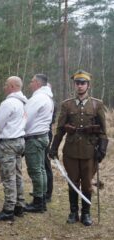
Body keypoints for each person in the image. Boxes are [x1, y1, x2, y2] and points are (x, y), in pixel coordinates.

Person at [49, 70, 108, 226]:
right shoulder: (66, 104)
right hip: (71, 151)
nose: (80, 86)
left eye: (83, 83)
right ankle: (73, 212)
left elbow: (103, 131)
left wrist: (102, 149)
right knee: (73, 182)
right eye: (77, 83)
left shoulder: (97, 104)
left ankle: (86, 214)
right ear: (74, 85)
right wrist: (54, 147)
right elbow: (60, 129)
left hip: (89, 151)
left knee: (87, 183)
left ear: (88, 85)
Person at [0, 76, 27, 221]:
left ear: (12, 86)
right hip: (20, 141)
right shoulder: (24, 102)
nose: (4, 87)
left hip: (9, 143)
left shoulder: (9, 103)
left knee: (8, 176)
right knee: (17, 174)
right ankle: (19, 205)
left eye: (6, 84)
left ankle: (8, 209)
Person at [24, 74, 54, 213]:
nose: (30, 84)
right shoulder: (47, 97)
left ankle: (38, 203)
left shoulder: (38, 98)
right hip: (42, 136)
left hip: (35, 138)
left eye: (31, 81)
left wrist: (19, 131)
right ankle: (41, 200)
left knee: (36, 171)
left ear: (37, 83)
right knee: (41, 170)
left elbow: (26, 117)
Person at [44, 83, 57, 203]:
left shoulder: (51, 103)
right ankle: (42, 190)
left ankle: (48, 193)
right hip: (42, 134)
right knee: (40, 165)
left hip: (46, 134)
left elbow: (52, 120)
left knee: (46, 163)